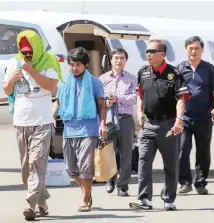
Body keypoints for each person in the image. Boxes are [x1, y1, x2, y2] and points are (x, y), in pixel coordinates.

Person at [3, 30, 62, 221]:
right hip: (20, 122)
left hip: (41, 122)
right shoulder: (14, 62)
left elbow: (52, 87)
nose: (27, 55)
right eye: (24, 52)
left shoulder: (48, 61)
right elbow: (6, 89)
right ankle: (42, 203)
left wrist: (32, 71)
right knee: (26, 170)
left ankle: (30, 205)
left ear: (37, 49)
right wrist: (12, 78)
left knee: (37, 162)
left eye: (30, 52)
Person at [129, 39, 190, 211]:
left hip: (168, 124)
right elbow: (140, 94)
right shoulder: (143, 72)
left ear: (162, 54)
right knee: (143, 161)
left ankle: (169, 199)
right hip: (148, 125)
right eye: (146, 51)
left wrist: (179, 119)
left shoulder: (174, 74)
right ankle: (144, 199)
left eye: (151, 51)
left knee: (170, 164)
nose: (147, 54)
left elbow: (181, 98)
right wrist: (139, 112)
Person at [52, 47, 107, 212]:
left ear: (86, 65)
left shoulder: (95, 83)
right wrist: (51, 117)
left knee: (85, 167)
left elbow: (102, 107)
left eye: (77, 65)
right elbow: (58, 103)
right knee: (70, 169)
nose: (74, 68)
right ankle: (86, 190)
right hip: (69, 130)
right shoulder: (64, 82)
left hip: (88, 130)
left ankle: (84, 199)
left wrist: (102, 124)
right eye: (71, 64)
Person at [177, 36, 214, 195]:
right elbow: (174, 92)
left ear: (202, 50)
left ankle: (201, 183)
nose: (193, 51)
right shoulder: (180, 69)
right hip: (184, 118)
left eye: (197, 48)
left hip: (204, 117)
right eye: (190, 48)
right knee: (183, 150)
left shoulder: (209, 68)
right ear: (186, 50)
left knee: (203, 152)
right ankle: (184, 182)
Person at [99, 48, 137, 196]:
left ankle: (123, 186)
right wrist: (106, 102)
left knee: (126, 155)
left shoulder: (132, 78)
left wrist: (118, 98)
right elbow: (98, 99)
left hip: (126, 119)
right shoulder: (102, 79)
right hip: (108, 120)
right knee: (109, 153)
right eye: (115, 58)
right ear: (111, 60)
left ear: (125, 61)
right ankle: (110, 180)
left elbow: (135, 98)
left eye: (121, 58)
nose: (118, 61)